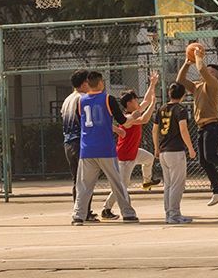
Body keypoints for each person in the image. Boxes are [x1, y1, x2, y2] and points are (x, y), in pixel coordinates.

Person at [177, 46, 218, 206]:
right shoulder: (196, 87)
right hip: (202, 127)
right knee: (204, 161)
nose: (207, 72)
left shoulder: (213, 84)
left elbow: (201, 69)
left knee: (211, 156)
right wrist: (187, 62)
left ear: (216, 76)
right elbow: (180, 80)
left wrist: (199, 56)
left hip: (213, 125)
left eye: (210, 71)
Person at [71, 71, 139, 226]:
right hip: (105, 149)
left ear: (88, 83)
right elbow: (122, 120)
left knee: (84, 185)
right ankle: (128, 213)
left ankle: (78, 216)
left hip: (87, 149)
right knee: (117, 183)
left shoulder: (81, 101)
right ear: (101, 82)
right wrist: (133, 117)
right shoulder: (108, 99)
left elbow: (82, 121)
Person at [101, 71, 161, 220]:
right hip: (125, 156)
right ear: (129, 103)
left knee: (149, 158)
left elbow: (146, 100)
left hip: (134, 152)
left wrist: (152, 84)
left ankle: (147, 181)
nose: (138, 102)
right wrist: (153, 104)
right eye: (135, 100)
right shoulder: (129, 117)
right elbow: (145, 119)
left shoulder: (134, 111)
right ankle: (106, 209)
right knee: (122, 186)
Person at [153, 82, 197, 224]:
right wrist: (190, 148)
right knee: (177, 184)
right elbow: (183, 129)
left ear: (169, 94)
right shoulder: (181, 109)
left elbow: (155, 130)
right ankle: (174, 214)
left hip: (164, 151)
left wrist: (156, 148)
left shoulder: (161, 108)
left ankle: (169, 214)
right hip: (175, 151)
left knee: (168, 184)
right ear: (183, 95)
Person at [60, 69, 99, 222]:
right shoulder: (83, 99)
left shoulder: (68, 99)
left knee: (77, 179)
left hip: (68, 142)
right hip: (80, 142)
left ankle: (81, 210)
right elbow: (87, 122)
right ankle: (84, 212)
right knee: (85, 180)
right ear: (84, 83)